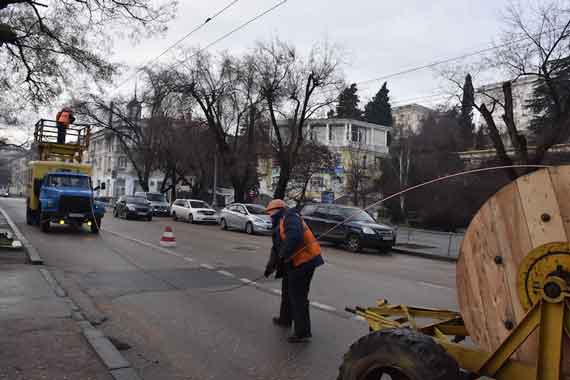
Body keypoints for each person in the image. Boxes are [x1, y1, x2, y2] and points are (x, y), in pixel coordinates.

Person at [264, 199, 324, 343]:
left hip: (305, 261)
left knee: (298, 296)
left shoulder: (290, 217)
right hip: (294, 262)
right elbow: (277, 248)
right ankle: (285, 319)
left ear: (278, 210)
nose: (269, 216)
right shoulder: (279, 224)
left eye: (270, 213)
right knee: (287, 290)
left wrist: (282, 256)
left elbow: (294, 237)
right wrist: (270, 266)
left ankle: (302, 332)